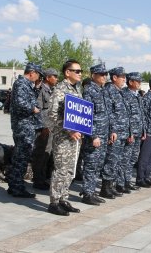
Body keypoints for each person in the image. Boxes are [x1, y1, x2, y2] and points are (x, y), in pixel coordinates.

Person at [46, 60, 83, 216]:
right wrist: (69, 130)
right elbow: (52, 116)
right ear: (67, 72)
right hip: (63, 137)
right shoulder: (60, 90)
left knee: (70, 170)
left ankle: (63, 198)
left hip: (75, 139)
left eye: (81, 71)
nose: (80, 74)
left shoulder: (77, 90)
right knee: (61, 169)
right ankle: (54, 202)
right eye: (77, 71)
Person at [7, 62, 42, 198]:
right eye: (38, 74)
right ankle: (17, 188)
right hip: (23, 126)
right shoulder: (21, 84)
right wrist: (33, 109)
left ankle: (14, 185)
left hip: (27, 125)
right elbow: (20, 103)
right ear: (32, 72)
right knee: (21, 157)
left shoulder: (27, 85)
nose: (38, 78)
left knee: (21, 157)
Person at [80, 64, 111, 205]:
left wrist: (110, 132)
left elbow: (107, 114)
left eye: (105, 74)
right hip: (94, 136)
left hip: (104, 135)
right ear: (93, 76)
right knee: (91, 165)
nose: (104, 77)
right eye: (101, 74)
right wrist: (93, 136)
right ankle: (87, 193)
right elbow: (87, 116)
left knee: (98, 165)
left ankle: (92, 192)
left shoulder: (102, 91)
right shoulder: (89, 91)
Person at [101, 67, 129, 197]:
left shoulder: (120, 92)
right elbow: (109, 113)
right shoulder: (109, 91)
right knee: (111, 160)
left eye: (124, 77)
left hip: (122, 132)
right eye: (121, 77)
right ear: (114, 78)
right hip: (115, 132)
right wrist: (112, 130)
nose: (124, 79)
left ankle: (111, 185)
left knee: (117, 160)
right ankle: (105, 188)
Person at [31, 68, 59, 190]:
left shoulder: (53, 91)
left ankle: (43, 178)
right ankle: (38, 180)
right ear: (48, 77)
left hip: (52, 127)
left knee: (47, 154)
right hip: (44, 128)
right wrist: (44, 126)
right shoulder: (41, 90)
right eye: (55, 76)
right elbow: (39, 110)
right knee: (41, 154)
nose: (57, 79)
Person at [118, 72, 144, 191]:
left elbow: (141, 115)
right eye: (137, 81)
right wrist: (129, 133)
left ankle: (127, 181)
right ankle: (120, 183)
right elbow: (126, 116)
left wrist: (143, 130)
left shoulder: (138, 95)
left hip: (138, 132)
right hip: (130, 133)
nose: (139, 83)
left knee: (133, 158)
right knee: (124, 159)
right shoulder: (124, 94)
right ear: (131, 82)